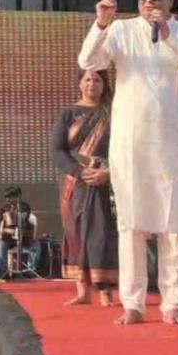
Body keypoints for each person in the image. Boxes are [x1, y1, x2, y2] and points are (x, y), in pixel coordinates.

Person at [78, 0, 178, 324]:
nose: (149, 1)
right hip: (131, 144)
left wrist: (168, 36)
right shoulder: (120, 31)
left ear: (170, 0)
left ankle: (173, 302)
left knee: (174, 225)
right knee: (131, 224)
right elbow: (89, 62)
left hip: (171, 143)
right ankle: (133, 303)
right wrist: (102, 23)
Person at [52, 69, 118, 307]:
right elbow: (57, 150)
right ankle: (82, 290)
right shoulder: (68, 114)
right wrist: (79, 171)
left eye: (97, 79)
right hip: (75, 183)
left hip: (107, 182)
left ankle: (105, 290)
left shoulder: (113, 113)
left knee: (102, 232)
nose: (92, 83)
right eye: (87, 79)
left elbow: (125, 147)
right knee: (77, 231)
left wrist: (108, 174)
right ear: (79, 84)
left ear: (104, 84)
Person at [0, 187, 33, 278]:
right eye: (6, 197)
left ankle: (30, 271)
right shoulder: (4, 208)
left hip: (22, 237)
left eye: (10, 197)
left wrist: (12, 213)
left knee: (36, 246)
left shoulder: (24, 207)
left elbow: (23, 221)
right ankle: (4, 273)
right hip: (8, 238)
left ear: (17, 197)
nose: (7, 199)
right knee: (0, 246)